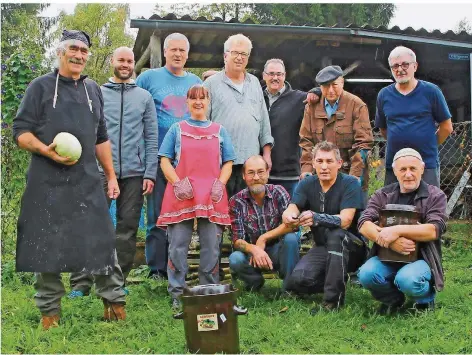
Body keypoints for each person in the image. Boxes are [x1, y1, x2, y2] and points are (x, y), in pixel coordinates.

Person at [12, 30, 126, 329]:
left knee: (101, 238)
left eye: (84, 51)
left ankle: (113, 303)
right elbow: (21, 132)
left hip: (87, 179)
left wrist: (111, 176)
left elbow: (101, 138)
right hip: (46, 181)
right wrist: (45, 151)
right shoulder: (40, 87)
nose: (79, 55)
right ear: (61, 52)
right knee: (46, 243)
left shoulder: (93, 90)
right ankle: (50, 312)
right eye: (73, 49)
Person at [69, 47, 159, 297]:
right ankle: (81, 283)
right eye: (121, 60)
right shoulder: (96, 93)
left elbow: (151, 138)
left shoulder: (144, 97)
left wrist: (149, 173)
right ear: (112, 62)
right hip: (97, 171)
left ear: (133, 65)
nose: (126, 64)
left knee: (127, 229)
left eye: (130, 61)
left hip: (134, 173)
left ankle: (118, 280)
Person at [157, 85, 236, 310]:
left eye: (202, 98)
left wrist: (220, 184)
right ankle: (178, 294)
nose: (198, 102)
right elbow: (164, 159)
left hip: (212, 194)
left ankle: (207, 292)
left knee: (211, 245)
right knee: (178, 246)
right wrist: (177, 183)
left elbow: (228, 162)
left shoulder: (220, 130)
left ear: (208, 101)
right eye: (193, 98)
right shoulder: (176, 129)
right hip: (182, 193)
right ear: (187, 102)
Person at [136, 33, 202, 280]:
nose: (177, 54)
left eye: (182, 51)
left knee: (184, 217)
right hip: (156, 159)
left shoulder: (195, 82)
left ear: (187, 54)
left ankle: (179, 268)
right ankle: (156, 269)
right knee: (156, 217)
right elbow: (134, 109)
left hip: (187, 160)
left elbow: (203, 114)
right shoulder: (148, 78)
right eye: (173, 49)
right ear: (165, 52)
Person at [357, 148, 447, 314]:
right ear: (395, 172)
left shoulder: (436, 195)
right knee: (366, 274)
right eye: (402, 169)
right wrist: (391, 243)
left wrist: (397, 230)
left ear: (422, 169)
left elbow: (435, 230)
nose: (408, 174)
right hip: (387, 256)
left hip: (422, 260)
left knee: (407, 279)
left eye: (413, 169)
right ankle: (393, 299)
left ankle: (424, 300)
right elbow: (363, 223)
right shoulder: (382, 194)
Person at [283, 141, 368, 312]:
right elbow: (293, 207)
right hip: (323, 247)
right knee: (298, 280)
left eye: (329, 161)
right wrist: (289, 215)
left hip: (352, 247)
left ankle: (332, 302)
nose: (324, 166)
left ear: (339, 164)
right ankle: (335, 279)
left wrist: (316, 218)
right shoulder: (307, 183)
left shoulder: (350, 183)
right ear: (313, 163)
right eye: (320, 161)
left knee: (336, 234)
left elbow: (345, 220)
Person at [203, 34, 274, 197]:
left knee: (248, 211)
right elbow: (202, 124)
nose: (239, 58)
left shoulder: (255, 83)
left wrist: (267, 154)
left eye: (244, 54)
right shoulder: (210, 84)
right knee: (221, 210)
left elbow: (263, 120)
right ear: (225, 55)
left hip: (250, 163)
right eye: (235, 53)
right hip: (220, 162)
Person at [375, 46, 453, 187]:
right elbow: (383, 129)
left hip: (426, 163)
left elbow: (446, 127)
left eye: (405, 64)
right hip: (395, 164)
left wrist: (429, 143)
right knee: (393, 207)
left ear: (415, 66)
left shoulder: (431, 92)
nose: (400, 69)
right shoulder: (384, 95)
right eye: (395, 66)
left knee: (428, 206)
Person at [299, 65, 373, 199]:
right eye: (326, 86)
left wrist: (354, 177)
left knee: (354, 218)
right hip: (320, 177)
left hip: (348, 174)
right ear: (320, 87)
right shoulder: (311, 107)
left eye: (335, 85)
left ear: (342, 83)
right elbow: (306, 141)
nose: (331, 90)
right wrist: (307, 170)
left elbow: (363, 144)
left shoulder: (357, 105)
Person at [228, 155, 300, 291]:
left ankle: (290, 289)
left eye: (260, 172)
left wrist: (264, 238)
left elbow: (292, 225)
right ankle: (255, 283)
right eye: (251, 172)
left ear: (267, 173)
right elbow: (237, 240)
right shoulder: (236, 202)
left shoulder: (279, 192)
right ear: (244, 176)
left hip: (278, 250)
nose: (256, 177)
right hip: (251, 256)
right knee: (235, 258)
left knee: (291, 239)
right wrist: (254, 249)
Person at [262, 58, 321, 197]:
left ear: (285, 75)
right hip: (260, 174)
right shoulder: (255, 97)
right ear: (264, 76)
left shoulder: (299, 99)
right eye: (271, 74)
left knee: (290, 216)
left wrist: (316, 91)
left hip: (289, 174)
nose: (275, 78)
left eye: (279, 74)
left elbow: (323, 94)